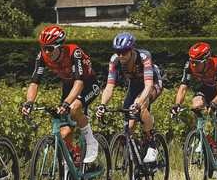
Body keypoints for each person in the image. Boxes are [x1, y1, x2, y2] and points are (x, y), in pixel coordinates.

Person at [23, 24, 99, 165]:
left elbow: (79, 82)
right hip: (69, 86)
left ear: (59, 46)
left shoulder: (73, 52)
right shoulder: (43, 56)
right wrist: (29, 102)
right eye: (43, 47)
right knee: (64, 133)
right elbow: (34, 82)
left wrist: (66, 103)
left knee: (75, 108)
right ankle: (73, 156)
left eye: (50, 48)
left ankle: (91, 141)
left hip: (87, 84)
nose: (46, 51)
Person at [99, 31, 164, 165]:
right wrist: (102, 105)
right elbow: (109, 87)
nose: (121, 55)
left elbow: (148, 85)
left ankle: (152, 145)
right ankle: (136, 159)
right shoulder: (114, 60)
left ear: (132, 49)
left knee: (139, 105)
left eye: (124, 52)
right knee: (129, 124)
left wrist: (139, 103)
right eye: (118, 52)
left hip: (152, 83)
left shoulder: (144, 56)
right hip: (134, 85)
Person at [175, 41, 217, 180]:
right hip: (207, 89)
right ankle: (203, 138)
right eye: (192, 62)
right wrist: (177, 105)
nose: (193, 65)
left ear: (206, 60)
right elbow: (183, 87)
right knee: (196, 103)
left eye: (197, 62)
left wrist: (214, 104)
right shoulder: (189, 65)